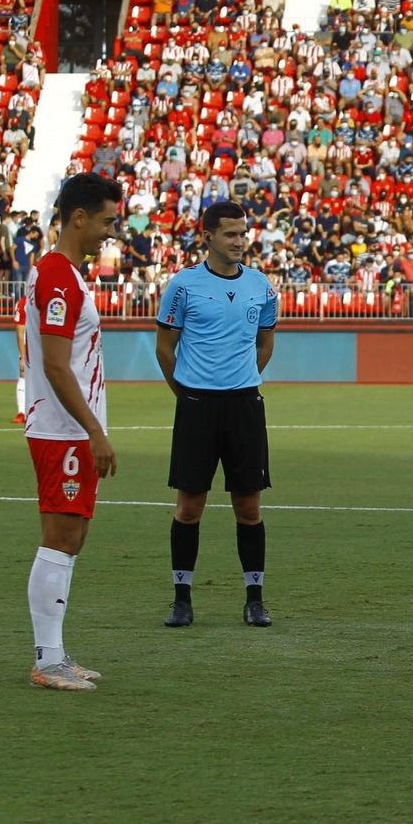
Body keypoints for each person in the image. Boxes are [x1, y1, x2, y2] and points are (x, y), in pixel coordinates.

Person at [154, 202, 279, 629]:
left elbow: (265, 343)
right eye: (230, 234)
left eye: (243, 233)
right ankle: (181, 601)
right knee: (189, 508)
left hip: (244, 406)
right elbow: (164, 348)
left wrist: (240, 382)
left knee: (249, 507)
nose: (239, 241)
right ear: (207, 237)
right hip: (197, 407)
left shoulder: (261, 286)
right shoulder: (183, 285)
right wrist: (188, 394)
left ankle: (255, 600)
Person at [23, 173, 122, 691]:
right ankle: (47, 660)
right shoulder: (58, 277)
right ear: (78, 217)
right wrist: (94, 432)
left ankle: (55, 653)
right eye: (106, 221)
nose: (111, 232)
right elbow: (57, 366)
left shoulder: (65, 274)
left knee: (72, 537)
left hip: (69, 430)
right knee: (60, 537)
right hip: (61, 430)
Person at [13, 294, 27, 423]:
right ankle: (21, 412)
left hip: (47, 346)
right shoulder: (23, 303)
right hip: (29, 346)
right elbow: (19, 332)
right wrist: (23, 356)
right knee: (23, 375)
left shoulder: (49, 301)